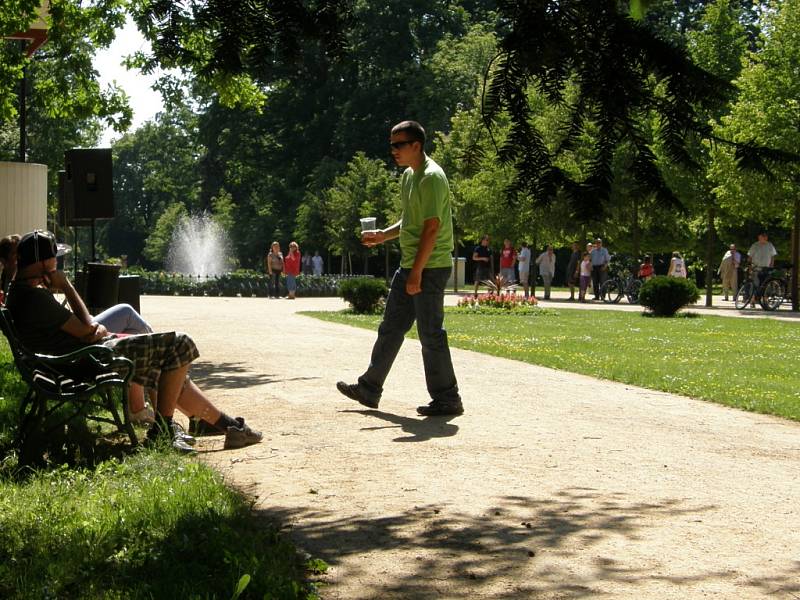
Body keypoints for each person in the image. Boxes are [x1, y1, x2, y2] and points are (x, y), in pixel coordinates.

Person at [6, 230, 263, 453]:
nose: (58, 262)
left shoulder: (21, 293)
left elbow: (83, 329)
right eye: (54, 258)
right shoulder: (34, 299)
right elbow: (87, 329)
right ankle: (164, 431)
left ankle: (218, 424)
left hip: (75, 359)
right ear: (43, 263)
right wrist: (68, 288)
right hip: (88, 360)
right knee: (181, 343)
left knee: (165, 358)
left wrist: (91, 329)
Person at [336, 120, 463, 417]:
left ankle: (448, 398)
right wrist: (383, 235)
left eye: (398, 145)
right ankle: (369, 388)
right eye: (391, 144)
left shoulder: (432, 177)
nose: (392, 150)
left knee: (430, 334)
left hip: (429, 266)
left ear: (416, 145)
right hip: (412, 264)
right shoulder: (409, 176)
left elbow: (432, 229)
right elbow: (411, 221)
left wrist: (417, 272)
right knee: (391, 327)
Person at [0, 234, 21, 300]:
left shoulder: (30, 281)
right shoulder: (3, 278)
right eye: (15, 254)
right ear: (3, 261)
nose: (20, 257)